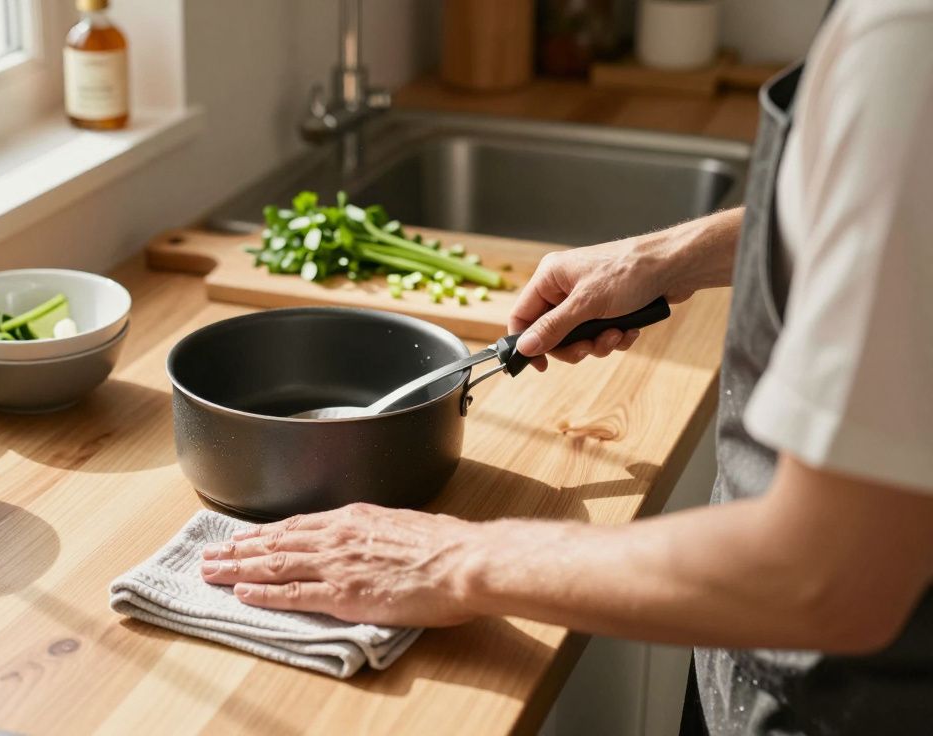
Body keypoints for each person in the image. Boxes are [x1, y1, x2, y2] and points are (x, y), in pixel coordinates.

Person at [197, 1, 933, 733]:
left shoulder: (906, 42)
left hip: (850, 699)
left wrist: (454, 556)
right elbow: (893, 226)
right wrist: (672, 257)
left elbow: (825, 575)